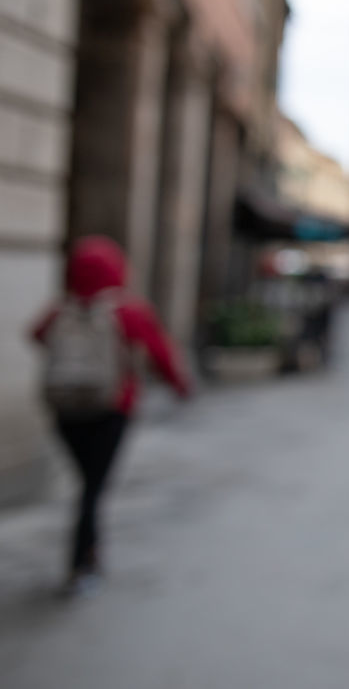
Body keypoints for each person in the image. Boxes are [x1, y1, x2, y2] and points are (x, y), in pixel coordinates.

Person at [28, 235, 191, 596]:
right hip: (110, 410)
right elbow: (160, 352)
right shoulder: (128, 311)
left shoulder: (60, 309)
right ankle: (82, 563)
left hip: (66, 410)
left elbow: (35, 335)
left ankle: (88, 556)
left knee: (87, 484)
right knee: (93, 489)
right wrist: (180, 387)